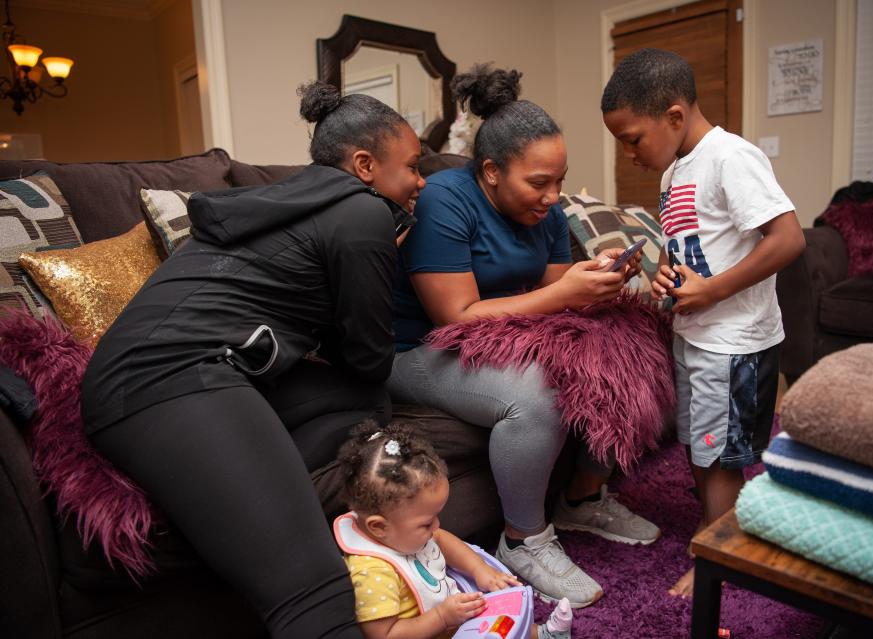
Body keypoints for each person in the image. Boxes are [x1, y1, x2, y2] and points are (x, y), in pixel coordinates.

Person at [80, 81, 426, 639]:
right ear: (364, 164)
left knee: (365, 402)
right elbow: (368, 355)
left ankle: (250, 482)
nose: (419, 181)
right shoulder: (364, 215)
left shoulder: (294, 199)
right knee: (319, 597)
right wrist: (378, 259)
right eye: (411, 166)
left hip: (169, 369)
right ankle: (262, 516)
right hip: (160, 379)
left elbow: (360, 379)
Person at [388, 64, 662, 610]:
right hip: (419, 349)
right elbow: (456, 316)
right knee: (536, 395)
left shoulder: (548, 212)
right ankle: (522, 541)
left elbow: (553, 284)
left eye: (560, 180)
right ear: (491, 171)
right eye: (539, 182)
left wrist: (601, 276)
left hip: (502, 334)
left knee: (630, 342)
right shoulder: (445, 200)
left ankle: (582, 498)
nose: (553, 195)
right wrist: (565, 295)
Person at [601, 49, 806, 597]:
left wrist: (712, 289)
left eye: (632, 138)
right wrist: (669, 270)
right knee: (699, 443)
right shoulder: (676, 170)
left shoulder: (730, 158)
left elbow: (788, 239)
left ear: (673, 116)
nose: (627, 153)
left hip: (734, 341)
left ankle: (726, 555)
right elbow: (692, 243)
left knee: (719, 456)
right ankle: (715, 526)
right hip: (696, 334)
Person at [334, 420, 574, 639]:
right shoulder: (371, 571)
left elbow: (440, 539)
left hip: (452, 615)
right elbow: (384, 636)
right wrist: (441, 617)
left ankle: (542, 634)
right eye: (427, 523)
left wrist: (479, 569)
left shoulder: (400, 532)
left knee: (504, 625)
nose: (437, 526)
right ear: (379, 527)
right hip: (429, 629)